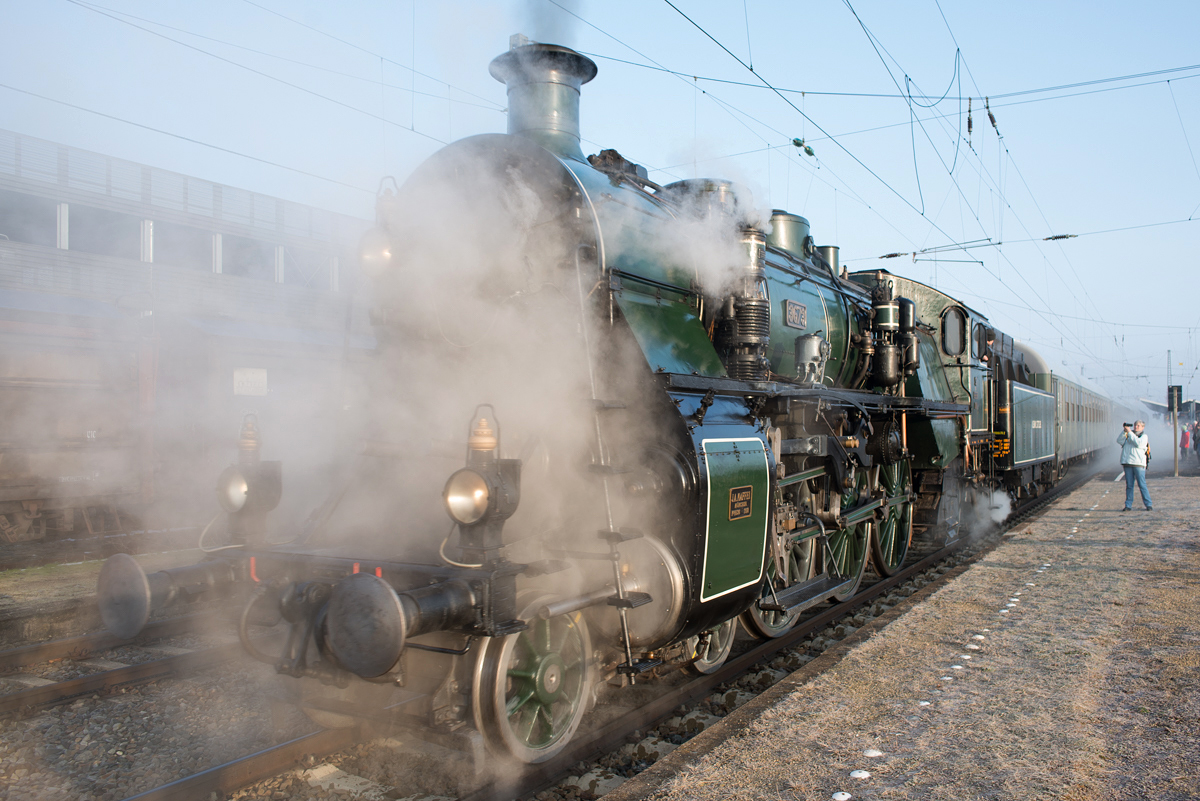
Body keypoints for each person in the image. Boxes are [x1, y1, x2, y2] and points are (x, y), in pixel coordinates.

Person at [1117, 420, 1152, 511]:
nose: (1136, 427)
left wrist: (1129, 432)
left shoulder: (1144, 436)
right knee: (1129, 485)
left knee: (1142, 484)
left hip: (1138, 463)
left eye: (1138, 425)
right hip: (1128, 462)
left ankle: (1148, 504)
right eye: (1135, 425)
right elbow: (1119, 440)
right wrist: (1124, 431)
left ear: (1143, 427)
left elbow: (1138, 443)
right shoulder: (1128, 435)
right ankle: (1128, 505)